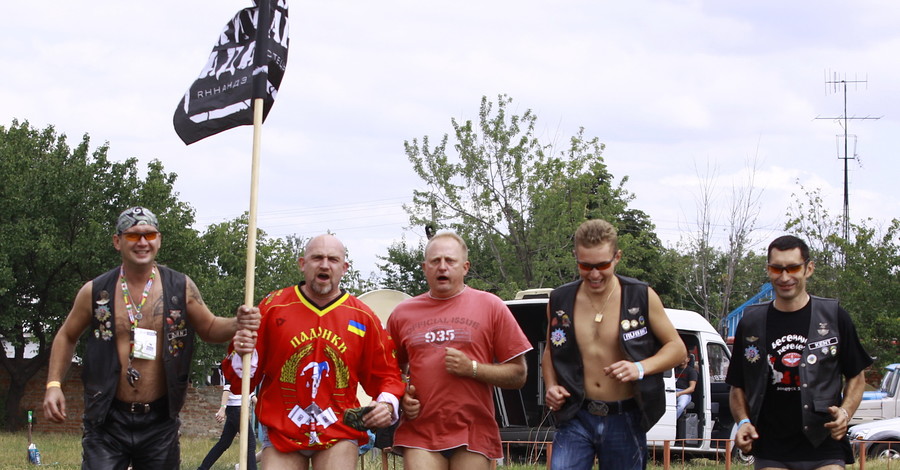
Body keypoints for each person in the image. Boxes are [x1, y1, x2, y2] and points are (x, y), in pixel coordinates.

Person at [42, 206, 260, 470]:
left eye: (149, 234)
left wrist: (238, 323)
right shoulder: (96, 290)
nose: (142, 242)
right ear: (117, 241)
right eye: (133, 236)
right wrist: (54, 384)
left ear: (159, 239)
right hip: (107, 421)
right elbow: (66, 335)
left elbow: (210, 327)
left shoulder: (180, 287)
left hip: (159, 421)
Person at [222, 234, 405, 469]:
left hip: (338, 429)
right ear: (302, 264)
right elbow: (241, 381)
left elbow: (387, 375)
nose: (325, 264)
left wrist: (386, 405)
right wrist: (240, 353)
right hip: (282, 428)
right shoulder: (273, 307)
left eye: (333, 259)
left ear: (344, 267)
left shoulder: (363, 317)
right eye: (317, 257)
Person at [541, 218, 685, 470]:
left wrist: (639, 368)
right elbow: (550, 351)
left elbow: (677, 348)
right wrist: (552, 387)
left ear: (617, 257)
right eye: (585, 265)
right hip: (577, 414)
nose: (594, 274)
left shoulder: (640, 295)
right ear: (576, 256)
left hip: (624, 415)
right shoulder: (560, 299)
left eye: (602, 265)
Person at [387, 230, 532, 470]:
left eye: (450, 261)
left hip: (474, 431)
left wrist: (471, 368)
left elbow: (519, 375)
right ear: (425, 267)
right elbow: (390, 371)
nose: (442, 267)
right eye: (435, 261)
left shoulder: (491, 306)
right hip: (420, 431)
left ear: (465, 267)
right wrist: (402, 394)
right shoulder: (403, 313)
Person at [726, 235, 872, 470]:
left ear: (808, 268)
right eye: (777, 269)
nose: (784, 277)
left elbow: (856, 375)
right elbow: (737, 385)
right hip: (770, 446)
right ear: (768, 270)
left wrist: (845, 413)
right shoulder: (751, 322)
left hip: (823, 442)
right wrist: (743, 421)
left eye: (793, 268)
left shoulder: (834, 316)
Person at [197, 383, 257, 470]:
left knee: (224, 443)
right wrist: (222, 408)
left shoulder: (248, 372)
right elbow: (227, 389)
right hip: (238, 410)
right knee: (250, 443)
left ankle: (202, 469)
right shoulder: (234, 369)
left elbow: (249, 393)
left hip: (236, 410)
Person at [674, 353, 698, 418]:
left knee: (681, 405)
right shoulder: (673, 369)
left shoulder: (691, 371)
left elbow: (692, 388)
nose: (682, 359)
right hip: (671, 391)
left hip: (684, 393)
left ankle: (672, 421)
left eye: (684, 358)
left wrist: (679, 393)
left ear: (688, 359)